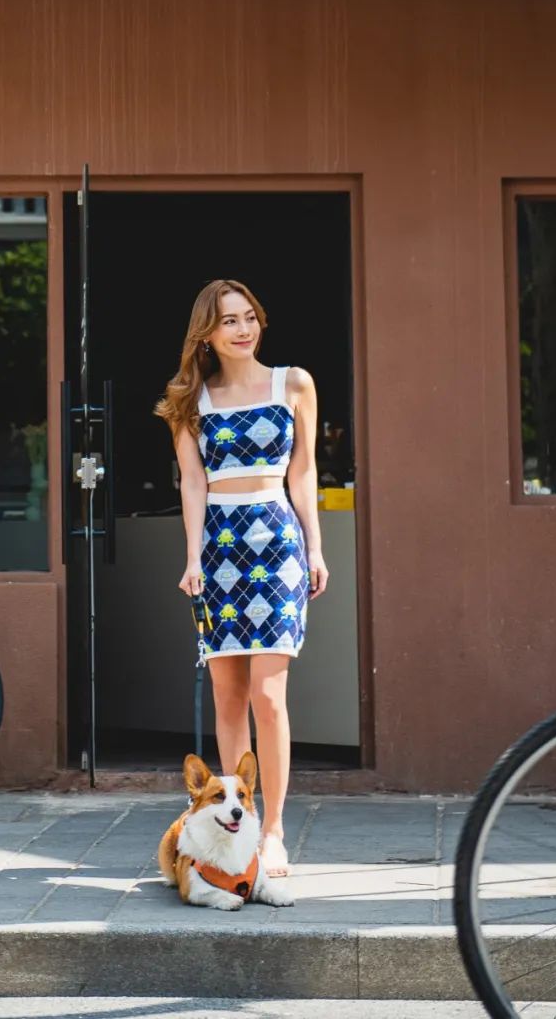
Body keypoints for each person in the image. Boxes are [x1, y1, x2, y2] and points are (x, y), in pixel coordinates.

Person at [155, 279, 329, 881]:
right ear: (207, 332)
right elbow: (193, 485)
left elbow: (304, 471)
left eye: (250, 316)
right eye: (229, 320)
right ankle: (238, 828)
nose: (244, 328)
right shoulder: (190, 400)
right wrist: (193, 558)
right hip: (220, 551)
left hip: (276, 541)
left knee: (268, 696)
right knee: (228, 697)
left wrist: (315, 546)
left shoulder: (293, 383)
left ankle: (274, 830)